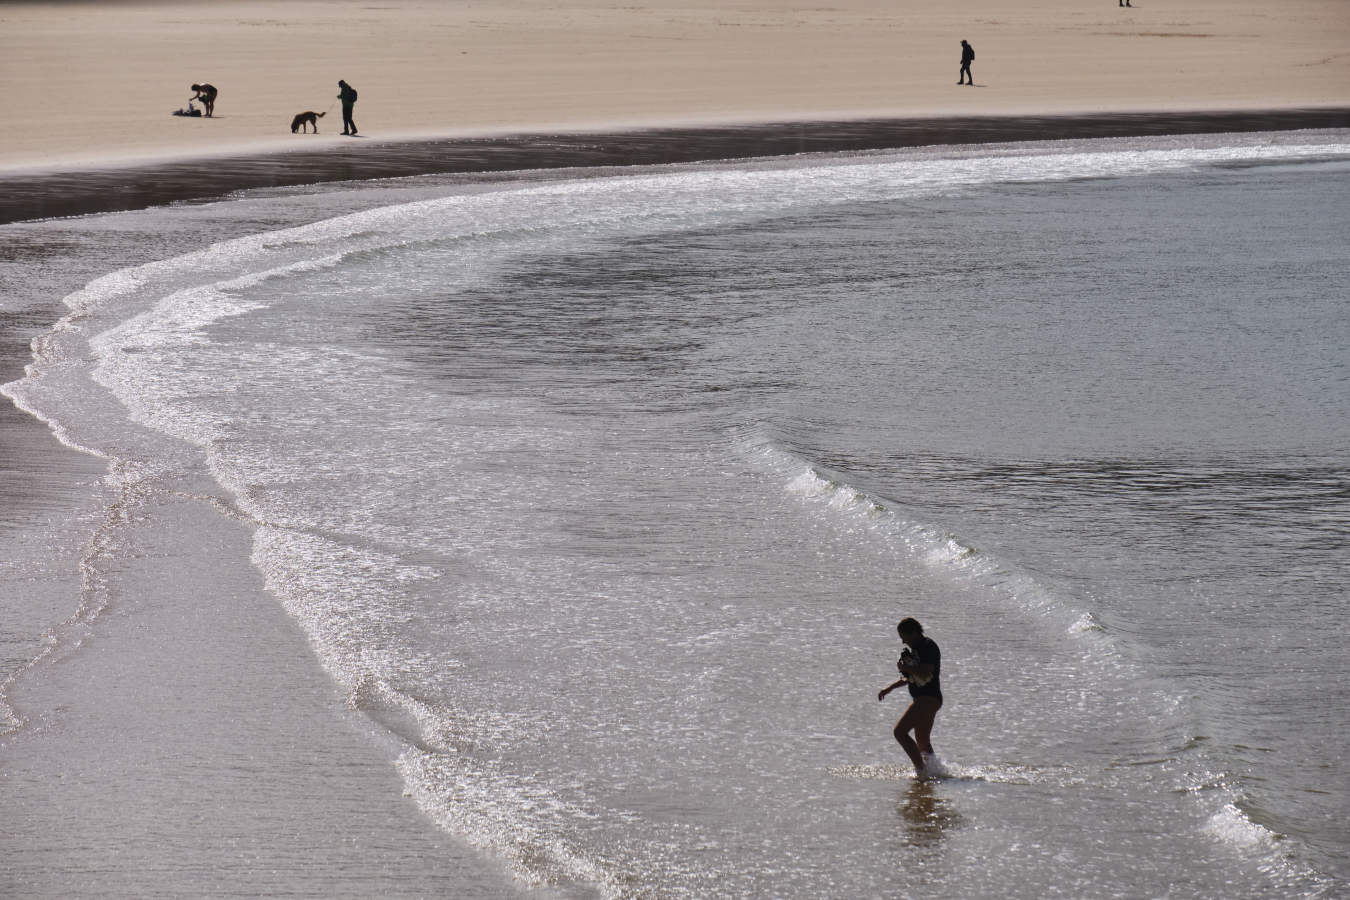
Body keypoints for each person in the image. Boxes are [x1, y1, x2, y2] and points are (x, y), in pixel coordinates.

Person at [878, 617, 943, 775]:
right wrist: (889, 689)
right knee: (922, 741)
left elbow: (926, 671)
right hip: (925, 699)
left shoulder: (928, 646)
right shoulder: (915, 650)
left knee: (899, 732)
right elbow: (909, 677)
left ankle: (921, 771)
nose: (902, 642)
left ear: (913, 633)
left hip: (928, 698)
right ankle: (935, 772)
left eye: (903, 637)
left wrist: (906, 667)